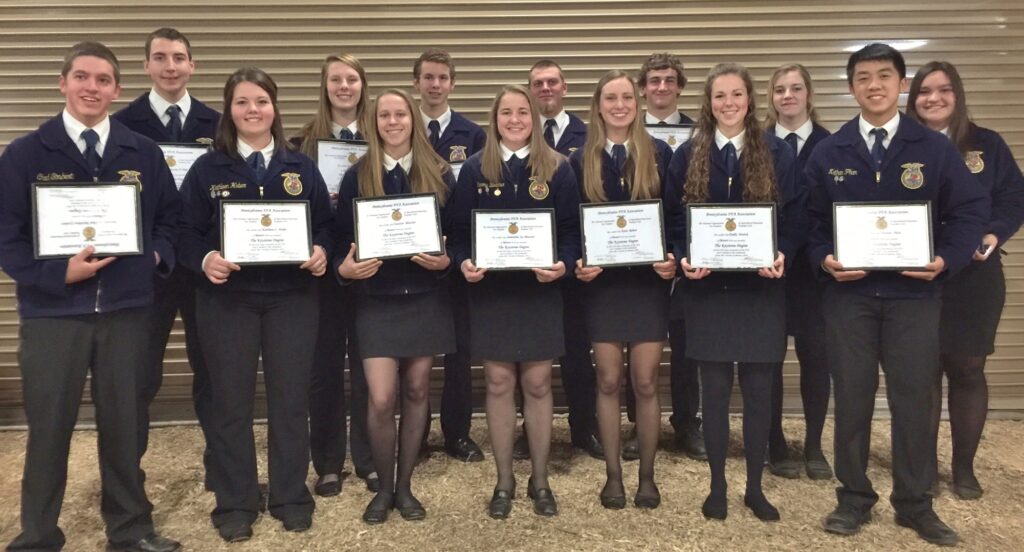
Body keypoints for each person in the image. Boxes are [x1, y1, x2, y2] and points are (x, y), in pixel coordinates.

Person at [0, 41, 181, 552]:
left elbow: (170, 218)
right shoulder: (25, 154)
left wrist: (154, 257)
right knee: (49, 430)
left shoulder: (141, 153)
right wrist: (58, 274)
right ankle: (37, 535)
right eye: (82, 77)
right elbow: (7, 236)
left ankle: (130, 530)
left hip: (126, 313)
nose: (91, 88)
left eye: (103, 80)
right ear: (63, 83)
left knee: (124, 426)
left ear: (116, 89)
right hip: (53, 315)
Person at [805, 43, 988, 547]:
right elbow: (810, 222)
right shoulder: (830, 150)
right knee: (854, 397)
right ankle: (854, 498)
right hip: (850, 299)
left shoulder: (932, 149)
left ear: (901, 84)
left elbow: (970, 210)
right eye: (863, 77)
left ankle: (914, 503)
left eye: (885, 76)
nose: (874, 86)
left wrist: (946, 259)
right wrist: (824, 258)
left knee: (913, 400)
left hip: (914, 299)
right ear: (851, 87)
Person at [178, 67, 333, 542]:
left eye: (261, 102)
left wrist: (322, 250)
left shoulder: (300, 165)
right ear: (229, 110)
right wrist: (205, 259)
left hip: (292, 300)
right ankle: (236, 502)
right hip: (228, 302)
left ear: (275, 108)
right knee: (230, 403)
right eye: (243, 102)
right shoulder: (208, 168)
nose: (253, 111)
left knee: (290, 401)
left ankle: (290, 497)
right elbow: (184, 232)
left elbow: (326, 224)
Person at [667, 62, 802, 522]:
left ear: (750, 100)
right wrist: (684, 255)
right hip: (708, 295)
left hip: (761, 295)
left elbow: (799, 218)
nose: (729, 104)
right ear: (708, 103)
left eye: (737, 95)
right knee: (716, 395)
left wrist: (782, 252)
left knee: (761, 393)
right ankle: (718, 486)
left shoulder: (778, 154)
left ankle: (756, 488)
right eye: (720, 96)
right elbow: (673, 219)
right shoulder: (688, 155)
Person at [448, 84, 581, 519]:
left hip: (540, 294)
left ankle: (540, 479)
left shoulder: (559, 169)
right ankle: (504, 480)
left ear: (534, 118)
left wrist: (563, 264)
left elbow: (571, 232)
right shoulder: (473, 170)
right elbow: (458, 234)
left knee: (539, 385)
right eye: (506, 112)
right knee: (500, 385)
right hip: (493, 296)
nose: (515, 120)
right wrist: (464, 261)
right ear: (495, 119)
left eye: (522, 112)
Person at [334, 88, 457, 524]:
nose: (392, 121)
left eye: (400, 113)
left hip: (426, 299)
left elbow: (458, 238)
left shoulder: (440, 173)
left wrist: (448, 261)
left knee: (418, 391)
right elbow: (337, 241)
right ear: (374, 122)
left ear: (413, 119)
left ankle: (405, 487)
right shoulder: (358, 176)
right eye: (384, 115)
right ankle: (382, 487)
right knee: (382, 397)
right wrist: (343, 269)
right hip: (376, 302)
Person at [907, 61, 1024, 500]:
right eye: (924, 91)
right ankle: (924, 468)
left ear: (957, 94)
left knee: (968, 369)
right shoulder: (902, 144)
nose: (933, 98)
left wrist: (993, 233)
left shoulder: (985, 144)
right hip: (916, 277)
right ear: (912, 98)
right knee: (922, 372)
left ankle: (963, 468)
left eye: (943, 90)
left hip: (974, 276)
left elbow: (1014, 196)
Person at [111, 26, 221, 492]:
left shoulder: (218, 125)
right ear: (147, 66)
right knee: (138, 379)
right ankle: (127, 483)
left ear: (192, 65)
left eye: (179, 57)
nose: (170, 66)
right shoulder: (123, 124)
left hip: (202, 270)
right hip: (147, 271)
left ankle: (225, 474)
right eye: (160, 57)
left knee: (214, 376)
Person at [570, 70, 677, 509]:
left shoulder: (660, 155)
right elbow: (568, 223)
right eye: (610, 98)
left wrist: (671, 256)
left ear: (637, 104)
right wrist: (579, 260)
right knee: (609, 379)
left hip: (647, 285)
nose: (619, 105)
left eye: (626, 98)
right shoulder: (579, 160)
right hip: (602, 288)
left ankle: (647, 478)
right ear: (598, 106)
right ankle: (613, 475)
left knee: (646, 382)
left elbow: (675, 217)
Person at [293, 53, 378, 498]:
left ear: (363, 86)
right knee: (323, 369)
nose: (344, 87)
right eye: (335, 80)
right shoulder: (303, 142)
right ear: (324, 87)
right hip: (320, 270)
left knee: (369, 367)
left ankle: (369, 458)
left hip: (368, 267)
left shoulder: (380, 138)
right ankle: (327, 462)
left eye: (352, 79)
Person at [523, 59, 601, 460]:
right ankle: (529, 430)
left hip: (574, 263)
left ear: (565, 87)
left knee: (575, 351)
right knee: (528, 353)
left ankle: (583, 427)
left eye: (552, 82)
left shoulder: (588, 136)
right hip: (527, 269)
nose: (546, 89)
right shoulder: (515, 135)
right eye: (538, 84)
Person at [411, 48, 487, 462]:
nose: (435, 85)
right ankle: (415, 434)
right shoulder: (401, 127)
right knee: (415, 349)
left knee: (458, 349)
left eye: (442, 77)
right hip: (410, 256)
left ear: (453, 83)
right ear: (417, 83)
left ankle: (457, 432)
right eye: (428, 77)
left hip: (456, 253)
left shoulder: (472, 135)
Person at [630, 51, 705, 463]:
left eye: (669, 80)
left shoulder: (701, 135)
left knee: (686, 344)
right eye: (654, 80)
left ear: (680, 86)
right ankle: (637, 426)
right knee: (636, 341)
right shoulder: (626, 132)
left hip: (689, 256)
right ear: (643, 89)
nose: (661, 87)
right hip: (640, 262)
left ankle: (686, 421)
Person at [762, 63, 834, 481]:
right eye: (779, 89)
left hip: (816, 275)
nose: (787, 96)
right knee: (768, 361)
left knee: (815, 360)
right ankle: (775, 443)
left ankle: (813, 446)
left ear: (809, 94)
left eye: (795, 88)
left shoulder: (832, 145)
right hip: (769, 271)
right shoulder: (760, 145)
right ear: (770, 97)